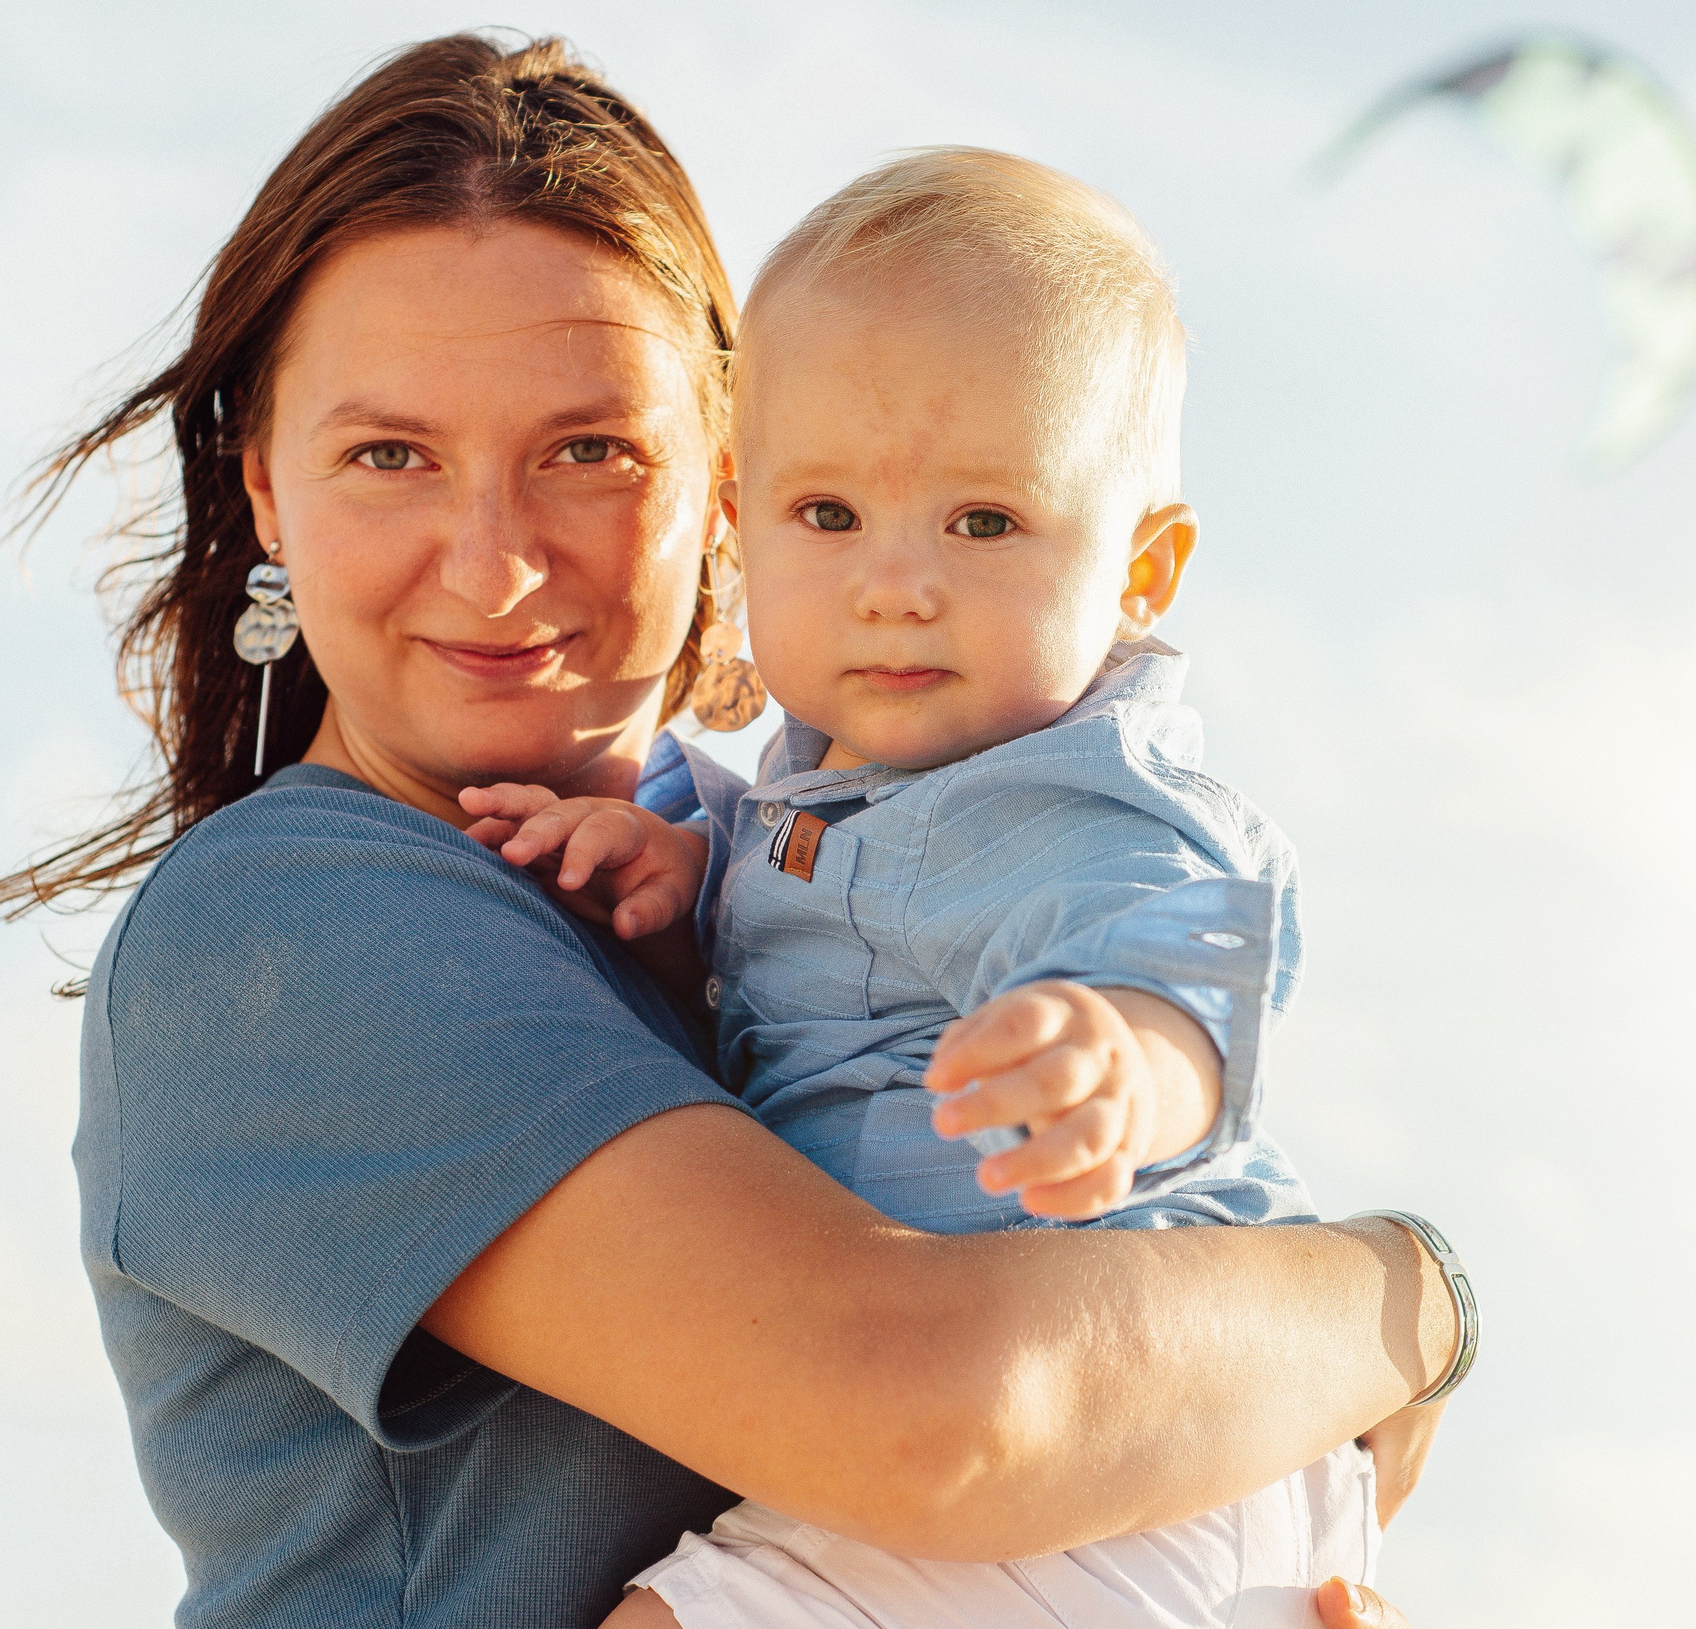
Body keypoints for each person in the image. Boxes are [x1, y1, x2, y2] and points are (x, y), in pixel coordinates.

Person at [0, 32, 1456, 1629]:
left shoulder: (777, 862)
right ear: (266, 492)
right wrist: (1410, 1304)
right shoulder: (288, 928)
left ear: (719, 489)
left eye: (590, 451)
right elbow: (932, 1415)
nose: (493, 564)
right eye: (388, 456)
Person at [464, 148, 1458, 1629]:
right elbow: (812, 881)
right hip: (982, 1454)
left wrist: (1120, 1066)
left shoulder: (1095, 801)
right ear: (738, 522)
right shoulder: (818, 786)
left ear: (1143, 570)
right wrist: (675, 861)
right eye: (829, 517)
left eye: (984, 523)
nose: (896, 582)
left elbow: (1192, 967)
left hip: (1130, 1427)